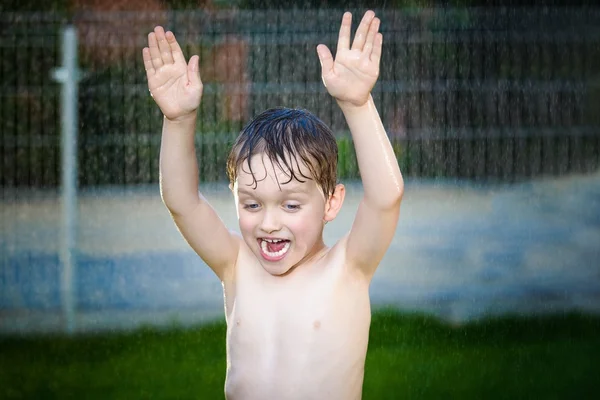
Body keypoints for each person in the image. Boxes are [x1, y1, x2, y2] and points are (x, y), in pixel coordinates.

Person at [143, 9, 403, 399]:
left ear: (332, 204)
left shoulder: (347, 269)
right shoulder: (236, 265)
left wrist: (358, 104)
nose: (268, 223)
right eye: (251, 205)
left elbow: (386, 197)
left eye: (291, 206)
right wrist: (178, 119)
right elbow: (181, 201)